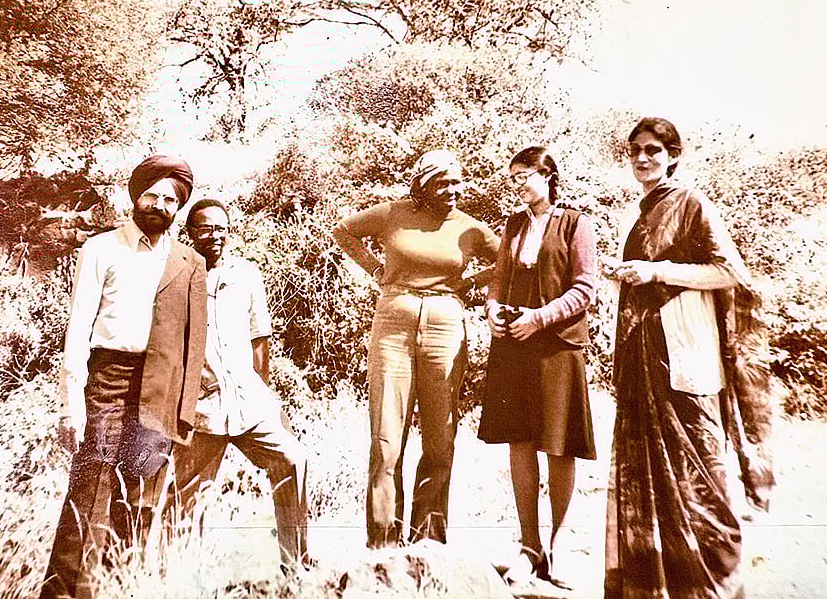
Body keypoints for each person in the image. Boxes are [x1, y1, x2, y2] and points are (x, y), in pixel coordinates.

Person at [603, 118, 774, 598]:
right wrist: (629, 275)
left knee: (703, 475)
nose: (642, 158)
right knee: (653, 476)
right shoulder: (642, 210)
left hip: (685, 356)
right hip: (644, 357)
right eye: (634, 150)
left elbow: (728, 272)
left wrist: (656, 272)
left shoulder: (691, 203)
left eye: (653, 150)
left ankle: (719, 586)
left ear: (674, 154)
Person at [41, 156, 207, 599]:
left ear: (179, 207)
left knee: (140, 502)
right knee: (89, 493)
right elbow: (77, 331)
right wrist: (70, 403)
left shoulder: (189, 261)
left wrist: (184, 411)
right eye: (151, 194)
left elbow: (195, 343)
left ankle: (115, 590)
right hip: (107, 380)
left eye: (170, 199)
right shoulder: (101, 248)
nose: (159, 204)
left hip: (160, 386)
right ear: (136, 196)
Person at [332, 149, 499, 548]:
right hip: (393, 322)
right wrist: (376, 270)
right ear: (422, 185)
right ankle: (384, 542)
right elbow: (343, 231)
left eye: (458, 182)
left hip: (445, 325)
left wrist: (473, 285)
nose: (453, 190)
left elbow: (510, 258)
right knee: (387, 435)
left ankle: (428, 540)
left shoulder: (470, 228)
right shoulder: (393, 213)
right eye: (443, 183)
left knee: (440, 437)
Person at [478, 146, 597, 585]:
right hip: (514, 346)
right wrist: (492, 308)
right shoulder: (512, 224)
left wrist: (540, 318)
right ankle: (530, 548)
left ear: (549, 176)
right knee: (521, 443)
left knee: (559, 445)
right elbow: (497, 280)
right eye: (513, 176)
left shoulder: (575, 223)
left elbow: (585, 289)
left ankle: (560, 545)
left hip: (557, 346)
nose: (519, 183)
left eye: (526, 174)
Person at [172, 198, 310, 573]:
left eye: (221, 227)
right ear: (189, 233)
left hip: (247, 404)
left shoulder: (246, 274)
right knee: (189, 498)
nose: (214, 235)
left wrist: (262, 395)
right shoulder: (174, 275)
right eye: (204, 228)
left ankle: (296, 566)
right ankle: (184, 577)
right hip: (200, 409)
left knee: (291, 459)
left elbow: (259, 337)